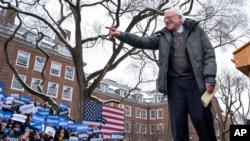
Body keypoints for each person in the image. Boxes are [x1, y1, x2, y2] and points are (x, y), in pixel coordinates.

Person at [106, 7, 217, 141]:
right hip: (175, 85)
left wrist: (209, 78)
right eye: (164, 18)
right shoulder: (164, 37)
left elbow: (209, 54)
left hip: (195, 82)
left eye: (169, 17)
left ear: (179, 18)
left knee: (201, 120)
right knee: (178, 124)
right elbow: (143, 41)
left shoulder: (196, 31)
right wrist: (122, 35)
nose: (166, 21)